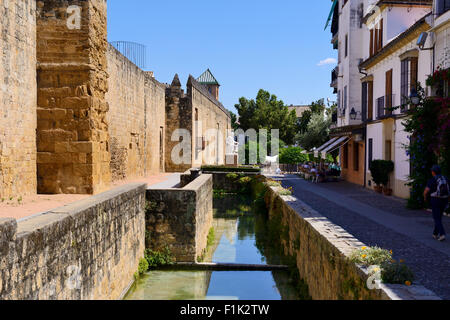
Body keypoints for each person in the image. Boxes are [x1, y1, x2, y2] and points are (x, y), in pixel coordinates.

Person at [424, 165, 449, 242]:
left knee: (436, 217)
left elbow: (426, 191)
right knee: (439, 217)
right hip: (444, 199)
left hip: (435, 199)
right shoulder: (445, 178)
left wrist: (425, 198)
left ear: (433, 172)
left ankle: (442, 234)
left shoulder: (432, 180)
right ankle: (435, 233)